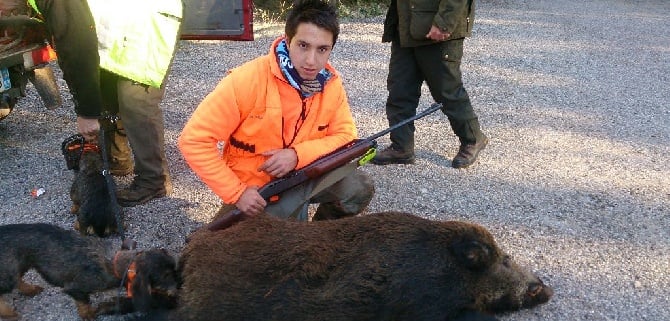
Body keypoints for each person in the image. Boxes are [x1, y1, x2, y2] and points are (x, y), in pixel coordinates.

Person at [178, 0, 374, 221]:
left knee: (358, 187)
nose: (311, 61)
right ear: (288, 40)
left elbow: (346, 135)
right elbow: (194, 140)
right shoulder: (246, 80)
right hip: (259, 191)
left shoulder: (330, 83)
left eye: (322, 49)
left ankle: (321, 234)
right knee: (257, 250)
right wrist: (238, 193)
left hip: (306, 174)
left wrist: (296, 156)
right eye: (303, 45)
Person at [29, 0, 182, 206]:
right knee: (106, 93)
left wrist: (87, 113)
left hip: (145, 26)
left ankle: (154, 180)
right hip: (115, 30)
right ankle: (117, 160)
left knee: (136, 104)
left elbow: (76, 52)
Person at [371, 0, 488, 168]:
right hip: (405, 25)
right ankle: (401, 146)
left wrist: (444, 23)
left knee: (447, 91)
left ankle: (473, 138)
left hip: (437, 30)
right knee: (399, 89)